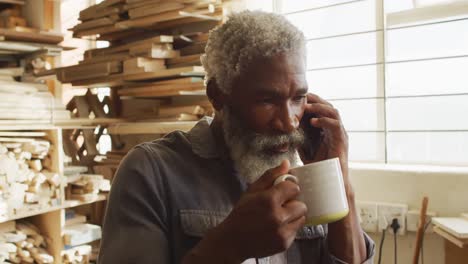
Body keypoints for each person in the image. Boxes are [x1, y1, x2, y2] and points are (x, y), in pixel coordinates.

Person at [98, 10, 375, 264]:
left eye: (298, 97)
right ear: (217, 96)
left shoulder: (308, 172)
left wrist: (340, 178)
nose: (289, 123)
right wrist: (229, 246)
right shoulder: (151, 173)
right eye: (267, 100)